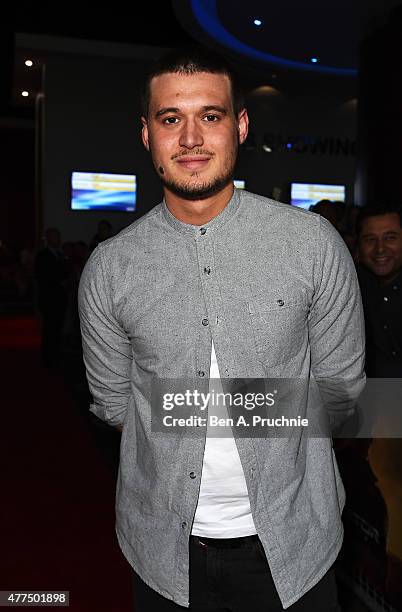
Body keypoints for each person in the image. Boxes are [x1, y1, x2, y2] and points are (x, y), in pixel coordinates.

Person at [78, 46, 365, 611]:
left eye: (209, 116)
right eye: (170, 119)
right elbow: (114, 405)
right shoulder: (111, 268)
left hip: (296, 546)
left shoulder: (311, 246)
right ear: (146, 134)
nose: (190, 138)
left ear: (240, 126)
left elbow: (341, 391)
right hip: (162, 551)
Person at [356, 205, 402, 377]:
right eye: (370, 239)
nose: (380, 249)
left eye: (390, 238)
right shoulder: (348, 288)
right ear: (358, 245)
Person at [35, 227, 70, 371]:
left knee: (57, 330)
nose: (58, 238)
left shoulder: (60, 254)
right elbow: (42, 277)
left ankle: (55, 357)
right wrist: (59, 281)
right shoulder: (42, 255)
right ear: (48, 238)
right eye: (55, 236)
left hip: (60, 298)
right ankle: (48, 361)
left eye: (58, 235)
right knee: (50, 331)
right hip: (49, 299)